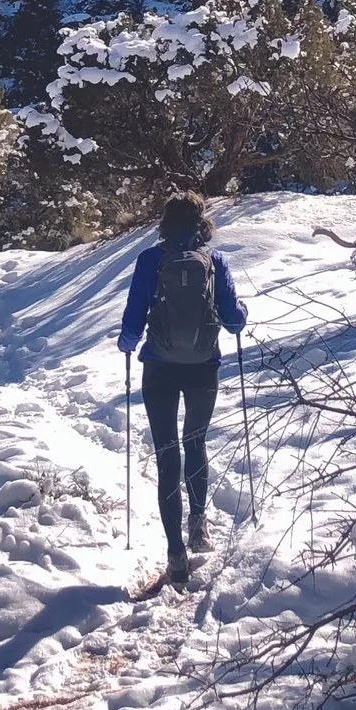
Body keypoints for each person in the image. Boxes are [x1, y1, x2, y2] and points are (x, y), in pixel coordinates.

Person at [117, 191, 247, 584]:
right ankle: (199, 524)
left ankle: (175, 552)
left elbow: (134, 314)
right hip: (202, 368)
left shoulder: (150, 260)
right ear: (201, 222)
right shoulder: (215, 260)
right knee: (196, 442)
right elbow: (233, 320)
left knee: (166, 454)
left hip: (159, 367)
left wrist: (127, 343)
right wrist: (241, 316)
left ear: (165, 222)